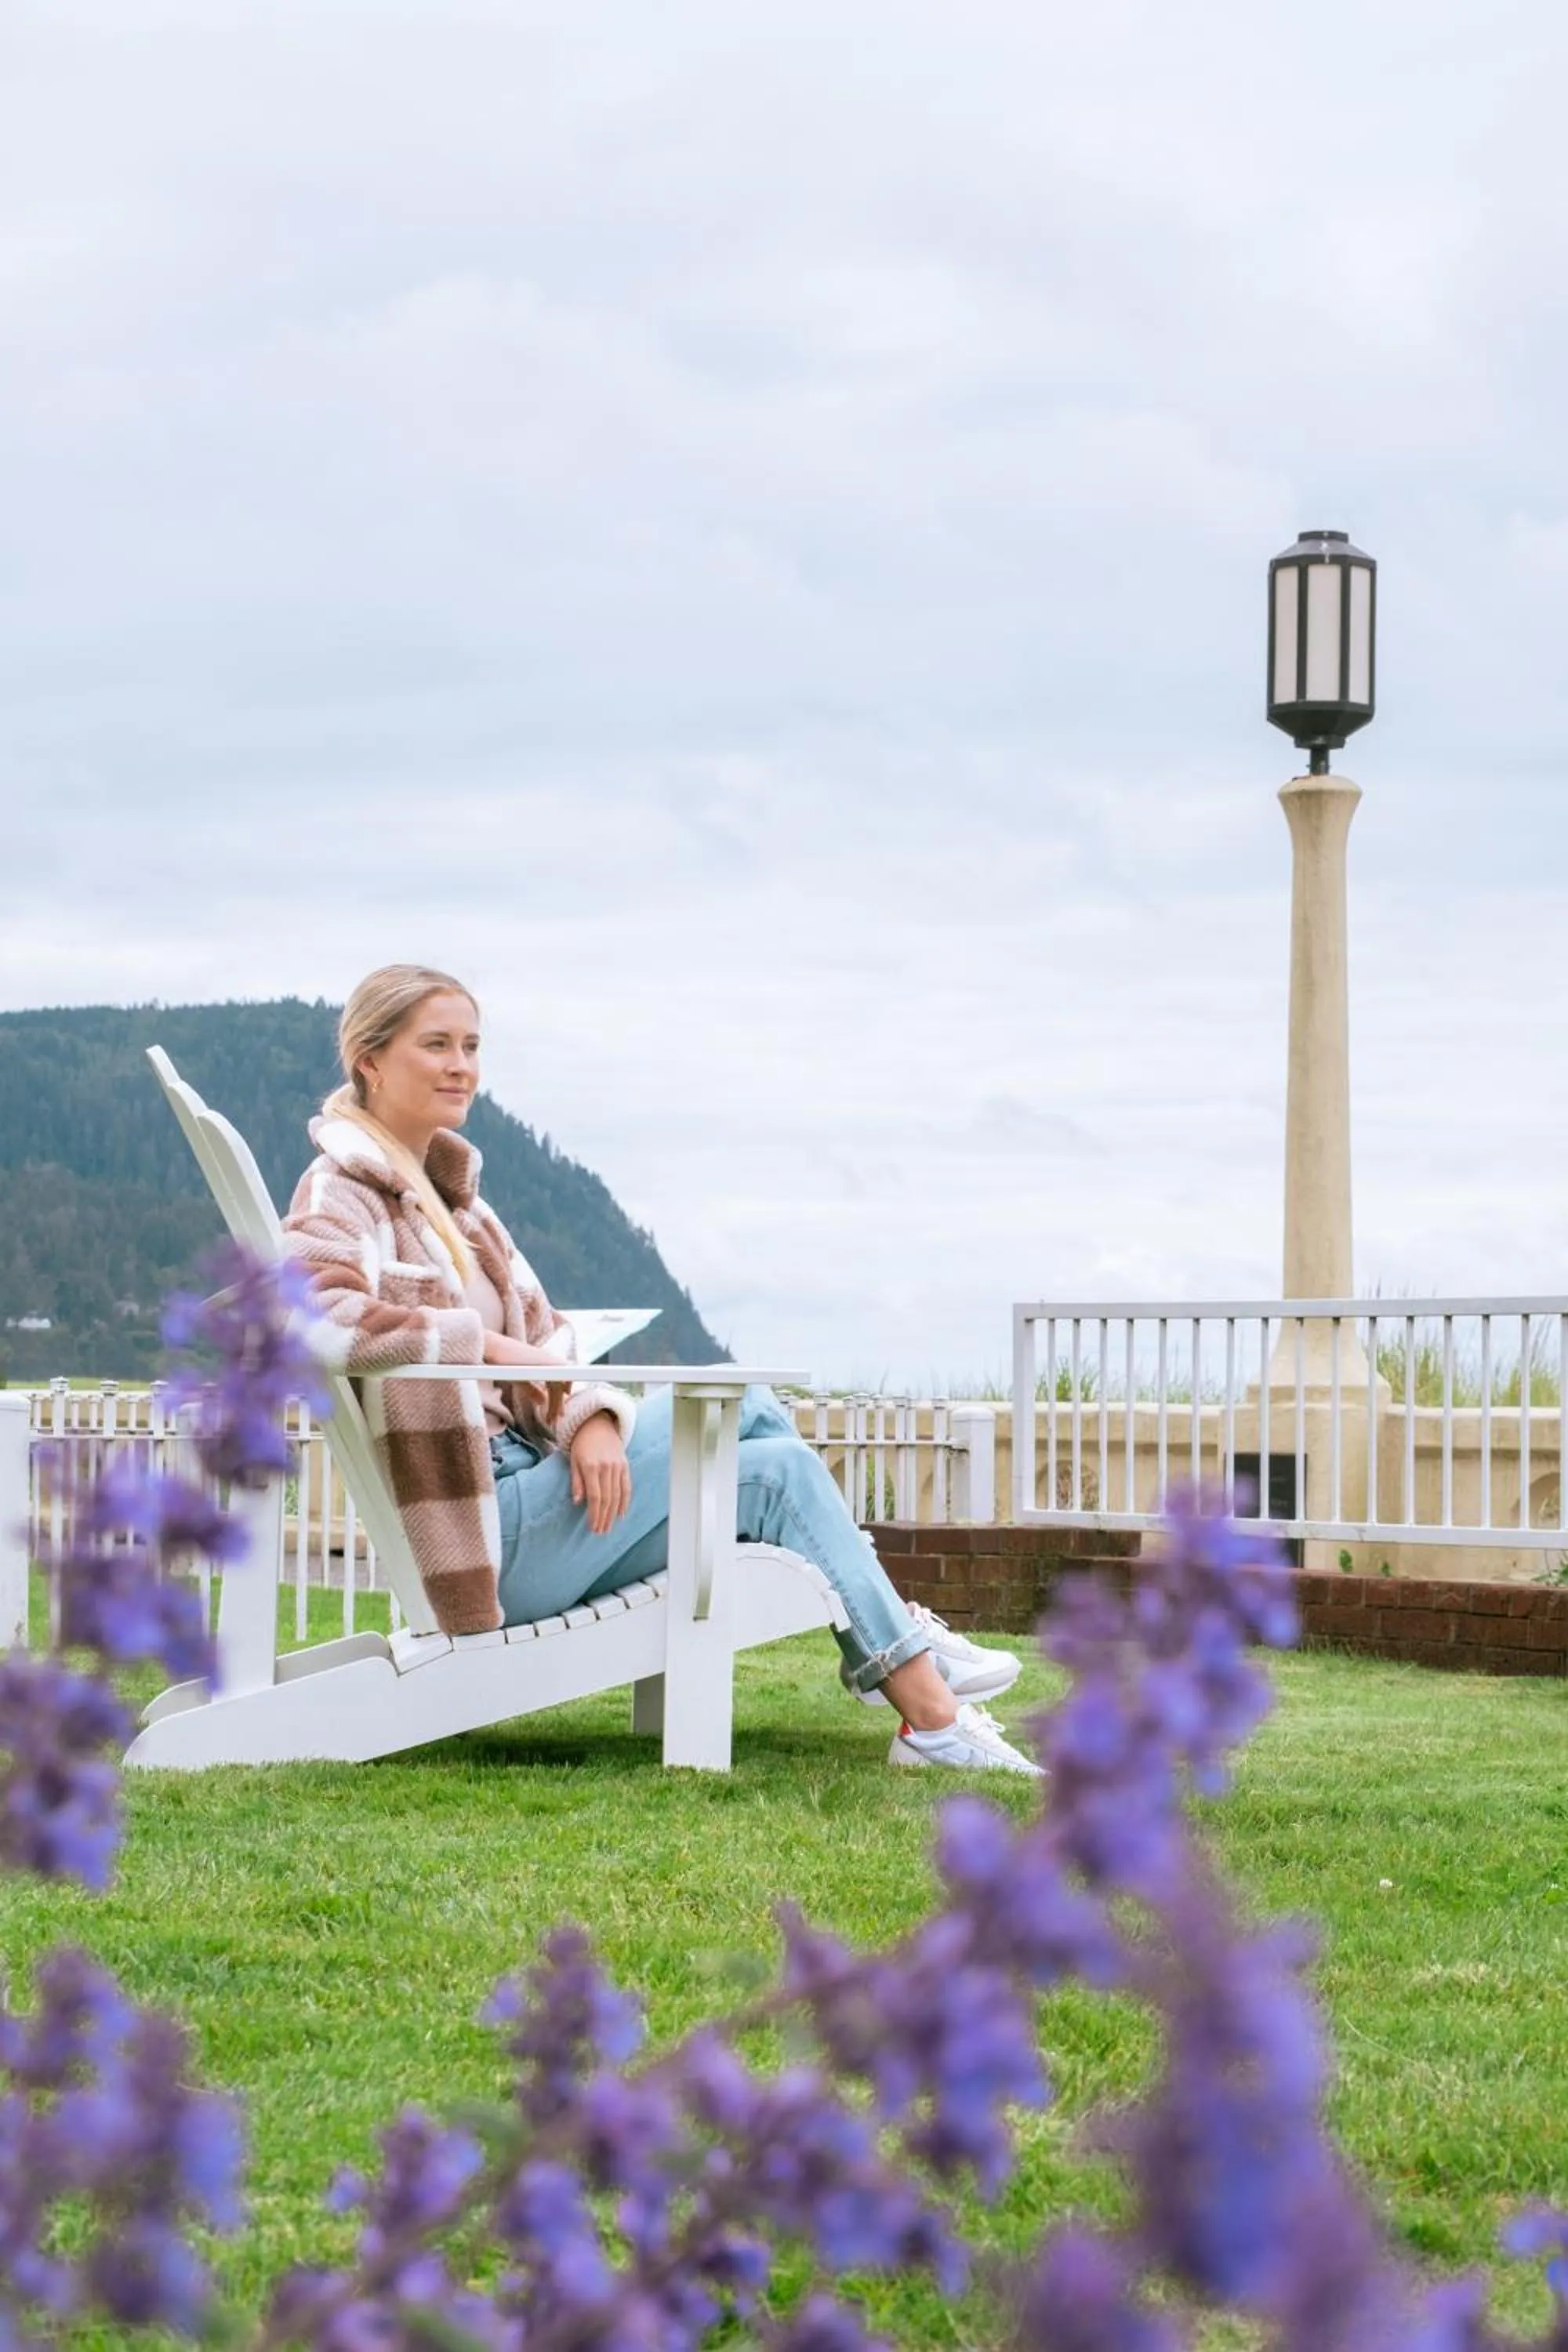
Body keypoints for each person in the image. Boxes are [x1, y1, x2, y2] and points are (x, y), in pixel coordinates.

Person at [282, 964, 1038, 1775]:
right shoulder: (343, 1188)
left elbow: (552, 1342)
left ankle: (913, 1683)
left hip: (535, 1497)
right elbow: (316, 1320)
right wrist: (488, 1347)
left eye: (470, 1045)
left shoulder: (457, 1206)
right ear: (369, 1059)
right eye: (436, 1045)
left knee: (766, 1450)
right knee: (760, 1445)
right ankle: (921, 1696)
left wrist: (593, 1421)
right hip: (488, 1531)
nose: (461, 1065)